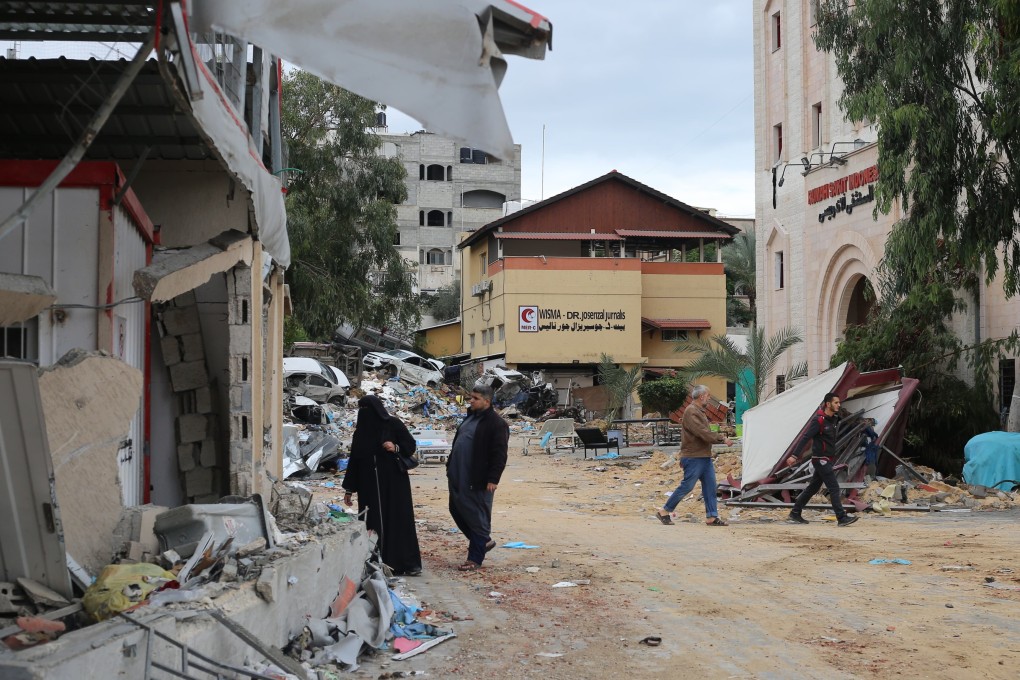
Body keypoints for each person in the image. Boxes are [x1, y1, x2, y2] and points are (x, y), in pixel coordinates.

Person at [342, 395, 423, 575]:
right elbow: (354, 461)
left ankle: (405, 563)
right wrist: (349, 489)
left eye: (366, 408)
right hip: (368, 487)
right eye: (360, 408)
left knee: (398, 520)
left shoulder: (393, 424)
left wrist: (395, 447)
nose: (363, 413)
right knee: (372, 523)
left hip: (394, 485)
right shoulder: (361, 431)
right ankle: (375, 562)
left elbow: (410, 445)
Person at [447, 383, 509, 571]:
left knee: (478, 517)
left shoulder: (496, 424)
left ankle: (474, 559)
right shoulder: (470, 418)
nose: (471, 401)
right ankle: (484, 542)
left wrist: (493, 479)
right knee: (456, 509)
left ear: (487, 401)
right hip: (458, 475)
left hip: (478, 479)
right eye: (470, 398)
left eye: (475, 399)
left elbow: (499, 454)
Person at [656, 385, 733, 526]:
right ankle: (664, 511)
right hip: (693, 457)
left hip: (703, 456)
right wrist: (722, 439)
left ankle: (711, 516)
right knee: (687, 486)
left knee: (710, 486)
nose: (709, 399)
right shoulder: (691, 411)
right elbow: (702, 432)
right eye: (708, 396)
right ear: (702, 396)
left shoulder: (699, 411)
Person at [786, 392, 859, 527]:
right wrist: (794, 455)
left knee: (813, 488)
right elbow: (805, 438)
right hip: (820, 459)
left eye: (839, 402)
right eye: (836, 402)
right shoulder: (818, 420)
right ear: (828, 404)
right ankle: (841, 517)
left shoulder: (833, 420)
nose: (839, 405)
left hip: (827, 459)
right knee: (834, 487)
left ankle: (795, 513)